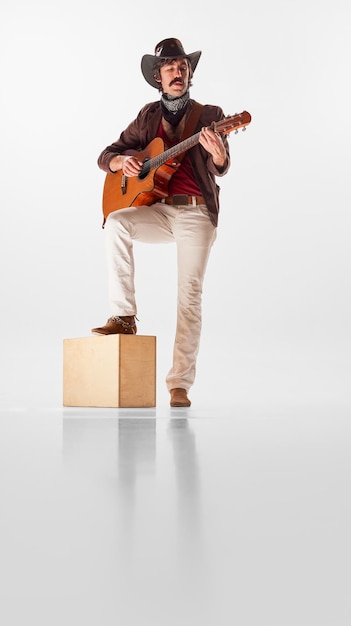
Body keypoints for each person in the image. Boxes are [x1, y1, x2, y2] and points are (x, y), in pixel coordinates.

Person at [92, 38, 231, 408]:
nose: (177, 72)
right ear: (158, 76)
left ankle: (179, 384)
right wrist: (124, 163)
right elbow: (108, 154)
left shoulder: (209, 114)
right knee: (117, 221)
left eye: (182, 66)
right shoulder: (147, 117)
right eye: (169, 67)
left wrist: (218, 154)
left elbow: (222, 166)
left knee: (189, 295)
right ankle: (124, 316)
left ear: (188, 74)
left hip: (197, 212)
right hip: (160, 209)